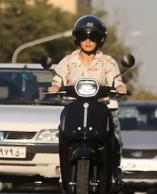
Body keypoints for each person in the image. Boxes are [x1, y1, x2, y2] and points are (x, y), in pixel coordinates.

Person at [48, 15, 125, 190]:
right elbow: (57, 80)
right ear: (77, 38)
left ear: (100, 39)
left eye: (93, 37)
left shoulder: (108, 62)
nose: (88, 41)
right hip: (73, 107)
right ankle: (63, 175)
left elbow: (117, 82)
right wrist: (54, 87)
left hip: (100, 108)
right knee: (62, 134)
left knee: (113, 138)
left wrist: (120, 88)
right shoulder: (68, 61)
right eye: (84, 36)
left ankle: (113, 175)